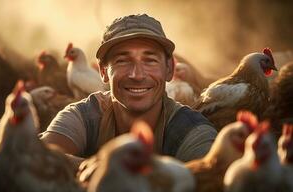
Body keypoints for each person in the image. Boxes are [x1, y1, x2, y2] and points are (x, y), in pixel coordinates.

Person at [41, 14, 217, 165]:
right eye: (122, 61)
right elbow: (37, 159)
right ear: (103, 72)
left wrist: (102, 171)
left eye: (150, 60)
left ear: (169, 69)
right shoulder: (84, 116)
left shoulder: (192, 131)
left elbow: (208, 180)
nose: (137, 75)